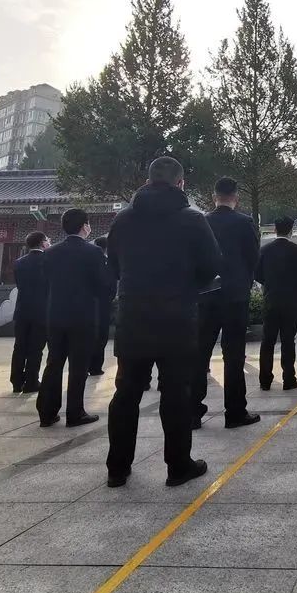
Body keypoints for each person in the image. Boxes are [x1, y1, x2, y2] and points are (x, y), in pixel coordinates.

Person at [105, 157, 223, 488]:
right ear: (181, 183)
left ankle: (117, 468)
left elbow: (113, 266)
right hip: (177, 317)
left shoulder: (123, 219)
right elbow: (212, 265)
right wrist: (188, 284)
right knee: (176, 392)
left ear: (147, 180)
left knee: (126, 392)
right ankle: (178, 466)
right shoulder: (192, 219)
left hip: (133, 316)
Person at [196, 177, 261, 431]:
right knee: (233, 355)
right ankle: (235, 412)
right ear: (236, 197)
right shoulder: (245, 222)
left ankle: (192, 412)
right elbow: (253, 258)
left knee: (200, 353)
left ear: (214, 197)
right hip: (235, 296)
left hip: (206, 295)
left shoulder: (202, 221)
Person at [37, 209, 111, 429]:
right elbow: (103, 286)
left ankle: (46, 413)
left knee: (54, 362)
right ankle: (75, 413)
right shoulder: (93, 252)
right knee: (78, 366)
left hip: (56, 315)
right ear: (85, 226)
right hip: (83, 316)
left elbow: (45, 283)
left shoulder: (50, 252)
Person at [255, 217, 297, 391]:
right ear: (291, 231)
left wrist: (269, 284)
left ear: (275, 230)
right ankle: (288, 379)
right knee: (288, 341)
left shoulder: (264, 249)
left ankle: (265, 380)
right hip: (290, 301)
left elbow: (257, 274)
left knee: (267, 341)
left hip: (270, 299)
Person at [10, 231, 49, 394]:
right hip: (41, 311)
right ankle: (31, 382)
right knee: (36, 348)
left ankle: (16, 382)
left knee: (19, 346)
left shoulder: (19, 262)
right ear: (43, 242)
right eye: (47, 240)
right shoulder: (48, 261)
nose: (49, 243)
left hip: (22, 310)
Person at [88, 235, 116, 377]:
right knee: (101, 336)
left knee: (87, 336)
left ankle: (85, 364)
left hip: (86, 304)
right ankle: (95, 367)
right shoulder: (108, 263)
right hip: (103, 304)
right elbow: (112, 285)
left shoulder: (87, 261)